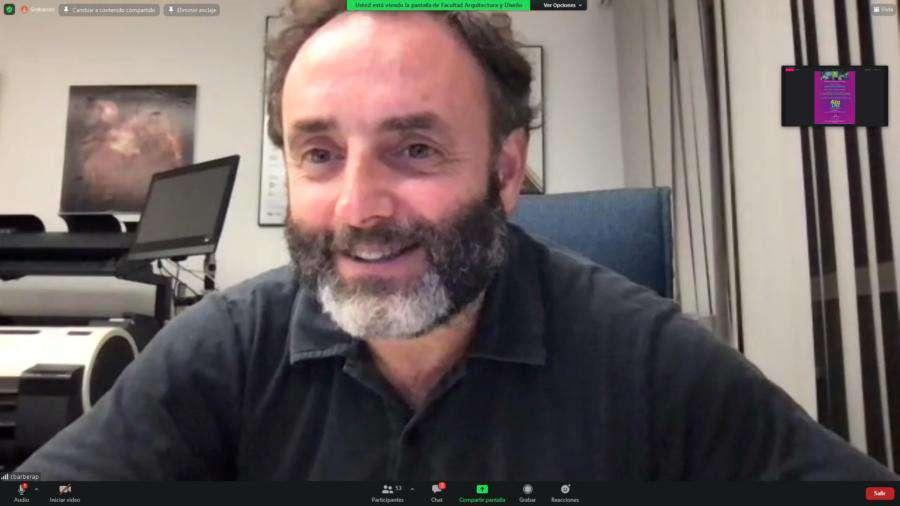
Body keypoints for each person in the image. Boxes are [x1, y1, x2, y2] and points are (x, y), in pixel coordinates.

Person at [18, 1, 897, 480]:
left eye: (414, 149)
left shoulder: (648, 356)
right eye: (319, 154)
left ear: (507, 171)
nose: (359, 208)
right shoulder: (225, 348)